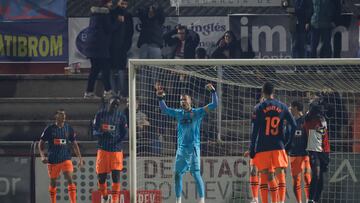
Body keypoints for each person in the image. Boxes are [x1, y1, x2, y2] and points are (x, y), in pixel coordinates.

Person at [155, 83, 218, 203]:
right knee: (177, 174)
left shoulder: (198, 112)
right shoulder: (178, 113)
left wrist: (213, 92)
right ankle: (178, 201)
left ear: (190, 101)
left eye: (184, 99)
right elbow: (165, 109)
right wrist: (160, 98)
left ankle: (202, 200)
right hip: (181, 149)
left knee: (196, 174)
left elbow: (214, 104)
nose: (182, 101)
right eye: (181, 100)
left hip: (194, 148)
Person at [249, 82, 297, 203]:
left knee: (265, 177)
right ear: (273, 91)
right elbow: (294, 125)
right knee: (280, 176)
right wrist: (289, 143)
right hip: (278, 146)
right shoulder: (283, 107)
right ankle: (280, 201)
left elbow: (254, 131)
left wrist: (252, 147)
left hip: (262, 147)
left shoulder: (258, 108)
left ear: (263, 92)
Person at [38, 109, 84, 203]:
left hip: (65, 158)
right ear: (56, 116)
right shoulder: (49, 129)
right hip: (53, 160)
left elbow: (74, 144)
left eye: (64, 115)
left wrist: (80, 158)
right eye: (61, 115)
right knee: (53, 182)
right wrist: (42, 156)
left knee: (69, 178)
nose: (63, 117)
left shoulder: (68, 128)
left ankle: (73, 202)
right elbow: (41, 143)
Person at [93, 96, 128, 203]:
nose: (115, 106)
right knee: (101, 178)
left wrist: (117, 140)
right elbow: (94, 131)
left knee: (116, 176)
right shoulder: (100, 114)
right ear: (109, 102)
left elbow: (124, 133)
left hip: (116, 150)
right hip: (103, 149)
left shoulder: (121, 116)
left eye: (117, 105)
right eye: (113, 103)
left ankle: (114, 200)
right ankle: (104, 194)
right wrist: (103, 133)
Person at [83, 0, 113, 99]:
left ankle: (89, 92)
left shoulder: (94, 15)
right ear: (106, 4)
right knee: (105, 69)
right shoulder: (105, 14)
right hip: (100, 47)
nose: (111, 4)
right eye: (110, 2)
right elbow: (108, 29)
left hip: (92, 46)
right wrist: (116, 22)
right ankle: (108, 91)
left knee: (94, 70)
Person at [303, 100, 330, 203]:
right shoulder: (308, 119)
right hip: (314, 148)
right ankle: (310, 199)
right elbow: (312, 133)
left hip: (324, 150)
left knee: (321, 178)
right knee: (316, 173)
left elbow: (323, 132)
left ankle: (316, 200)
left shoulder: (322, 118)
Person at [288, 101, 311, 203]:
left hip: (306, 154)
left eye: (291, 107)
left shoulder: (306, 120)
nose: (290, 109)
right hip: (294, 155)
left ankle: (308, 200)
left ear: (296, 108)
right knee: (296, 181)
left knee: (307, 177)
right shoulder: (290, 122)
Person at [110, 0, 134, 97]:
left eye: (125, 3)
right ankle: (113, 92)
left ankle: (121, 92)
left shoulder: (128, 15)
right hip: (111, 47)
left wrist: (126, 46)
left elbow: (130, 32)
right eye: (122, 3)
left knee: (120, 69)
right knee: (112, 69)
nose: (123, 5)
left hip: (121, 47)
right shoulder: (112, 14)